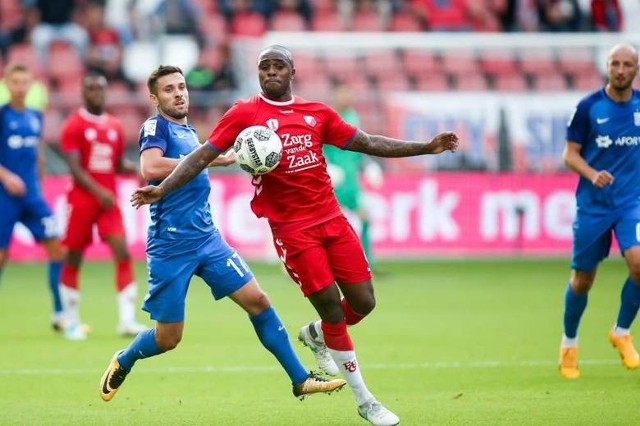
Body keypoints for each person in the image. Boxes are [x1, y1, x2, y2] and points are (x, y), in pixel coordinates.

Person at [131, 45, 459, 426]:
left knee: (364, 302)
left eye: (278, 67)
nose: (270, 73)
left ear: (291, 72)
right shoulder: (244, 114)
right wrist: (163, 188)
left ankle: (317, 335)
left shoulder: (316, 113)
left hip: (332, 220)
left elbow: (367, 142)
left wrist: (426, 148)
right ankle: (366, 401)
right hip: (293, 230)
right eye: (264, 68)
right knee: (332, 308)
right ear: (258, 74)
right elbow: (203, 155)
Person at [99, 64, 347, 402]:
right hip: (171, 246)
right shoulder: (156, 126)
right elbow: (150, 167)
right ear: (155, 98)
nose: (179, 93)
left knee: (258, 301)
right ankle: (124, 359)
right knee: (168, 338)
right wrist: (210, 160)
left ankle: (300, 379)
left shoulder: (188, 132)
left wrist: (210, 155)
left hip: (208, 240)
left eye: (182, 86)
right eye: (169, 89)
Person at [558, 43, 640, 379]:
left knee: (639, 264)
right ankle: (569, 343)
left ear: (635, 69)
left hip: (631, 204)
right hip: (593, 206)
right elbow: (569, 154)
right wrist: (593, 174)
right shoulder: (588, 107)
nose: (620, 70)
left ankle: (621, 331)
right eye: (614, 64)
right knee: (583, 280)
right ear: (607, 66)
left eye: (627, 65)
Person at [58, 73, 147, 340]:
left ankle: (127, 320)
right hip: (83, 200)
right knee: (74, 256)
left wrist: (137, 170)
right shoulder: (73, 126)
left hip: (108, 202)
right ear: (83, 93)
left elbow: (116, 164)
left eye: (101, 88)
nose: (97, 92)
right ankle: (71, 321)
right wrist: (99, 192)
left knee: (122, 252)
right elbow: (75, 169)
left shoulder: (114, 126)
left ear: (106, 92)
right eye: (91, 88)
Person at [0, 61, 64, 330]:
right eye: (15, 82)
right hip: (5, 196)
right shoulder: (2, 115)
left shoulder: (35, 116)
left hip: (33, 195)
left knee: (57, 249)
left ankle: (61, 313)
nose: (20, 87)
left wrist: (40, 181)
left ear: (31, 85)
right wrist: (7, 177)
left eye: (25, 82)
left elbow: (37, 152)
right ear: (7, 84)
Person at [322, 84, 381, 269]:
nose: (347, 98)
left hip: (352, 183)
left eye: (349, 94)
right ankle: (326, 263)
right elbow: (319, 147)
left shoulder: (354, 117)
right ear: (335, 96)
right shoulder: (328, 118)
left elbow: (360, 148)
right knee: (329, 225)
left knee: (365, 217)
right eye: (343, 94)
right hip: (332, 183)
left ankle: (367, 261)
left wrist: (369, 165)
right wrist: (328, 166)